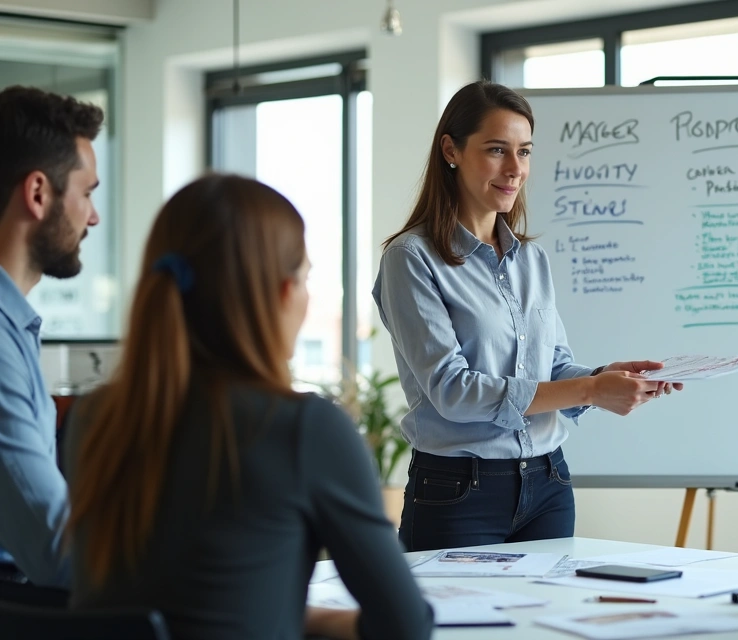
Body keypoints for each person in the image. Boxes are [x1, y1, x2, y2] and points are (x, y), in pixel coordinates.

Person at [65, 175, 433, 640]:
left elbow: (170, 601)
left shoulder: (94, 420)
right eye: (304, 279)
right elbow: (405, 626)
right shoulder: (304, 428)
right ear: (281, 293)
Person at [373, 80, 680, 552]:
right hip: (457, 493)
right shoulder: (411, 258)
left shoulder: (530, 260)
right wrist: (591, 390)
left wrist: (605, 379)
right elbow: (453, 391)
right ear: (451, 150)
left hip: (548, 481)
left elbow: (552, 366)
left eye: (525, 151)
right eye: (497, 150)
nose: (515, 169)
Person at [0, 85, 102, 593]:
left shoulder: (13, 327)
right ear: (38, 193)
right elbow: (55, 546)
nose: (94, 216)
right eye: (87, 193)